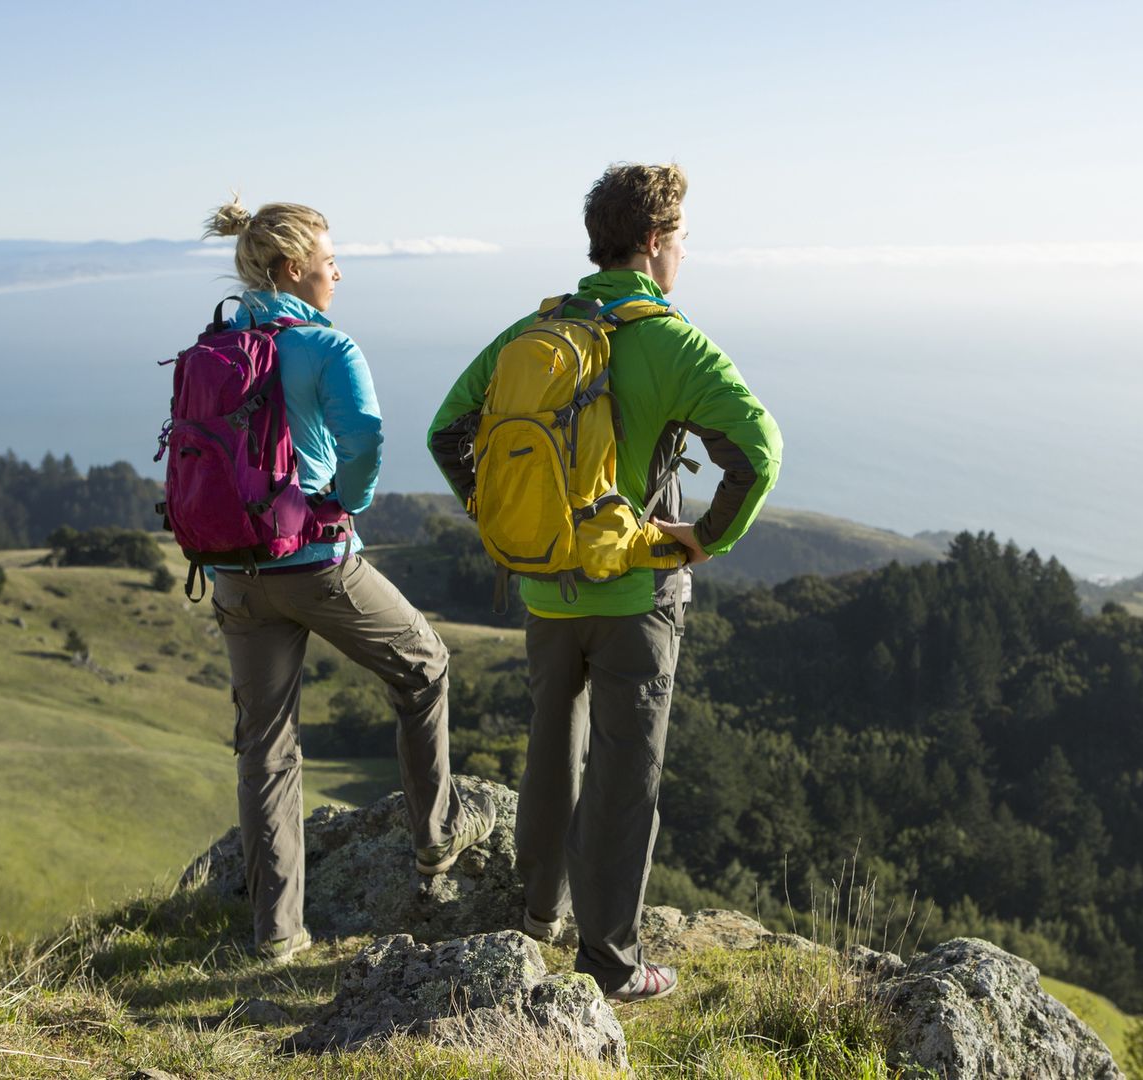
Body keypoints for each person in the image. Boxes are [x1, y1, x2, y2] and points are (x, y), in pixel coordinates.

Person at [428, 164, 781, 1001]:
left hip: (546, 589)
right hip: (634, 594)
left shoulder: (534, 330)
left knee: (553, 742)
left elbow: (450, 430)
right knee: (626, 772)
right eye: (683, 239)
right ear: (655, 242)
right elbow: (757, 449)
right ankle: (611, 963)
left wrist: (509, 521)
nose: (685, 255)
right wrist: (703, 539)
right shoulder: (667, 339)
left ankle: (536, 911)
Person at [200, 197, 493, 963]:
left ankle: (277, 933)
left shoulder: (221, 339)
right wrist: (343, 503)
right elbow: (366, 438)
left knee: (265, 744)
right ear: (295, 270)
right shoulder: (326, 345)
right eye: (330, 259)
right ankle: (435, 842)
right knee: (424, 663)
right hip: (313, 561)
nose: (338, 271)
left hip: (231, 568)